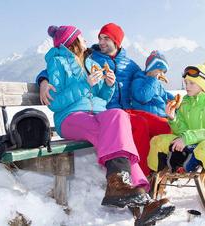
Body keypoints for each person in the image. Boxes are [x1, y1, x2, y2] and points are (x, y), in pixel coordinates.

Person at [45, 25, 175, 225]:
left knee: (118, 115)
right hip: (71, 117)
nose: (88, 41)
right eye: (82, 38)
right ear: (74, 41)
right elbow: (55, 102)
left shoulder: (87, 62)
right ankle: (125, 189)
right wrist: (83, 84)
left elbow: (101, 98)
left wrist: (108, 85)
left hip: (96, 113)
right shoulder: (57, 62)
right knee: (115, 138)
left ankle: (136, 196)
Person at [37, 23, 171, 176]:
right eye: (100, 38)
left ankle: (165, 168)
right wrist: (43, 80)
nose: (101, 42)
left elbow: (145, 80)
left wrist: (165, 97)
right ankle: (143, 176)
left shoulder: (130, 65)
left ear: (116, 42)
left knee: (165, 126)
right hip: (107, 112)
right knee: (139, 125)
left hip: (125, 110)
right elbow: (57, 66)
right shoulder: (91, 57)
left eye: (106, 38)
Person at [147, 61, 205, 200]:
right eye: (186, 82)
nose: (187, 86)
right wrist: (173, 119)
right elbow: (181, 131)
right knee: (158, 141)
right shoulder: (185, 102)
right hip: (189, 144)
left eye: (191, 83)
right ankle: (153, 180)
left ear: (203, 85)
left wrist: (188, 138)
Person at [131, 50, 174, 118]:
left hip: (161, 115)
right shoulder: (138, 80)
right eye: (160, 70)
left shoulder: (156, 83)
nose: (162, 74)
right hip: (146, 116)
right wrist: (153, 80)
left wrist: (173, 99)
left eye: (164, 72)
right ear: (150, 68)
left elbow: (164, 95)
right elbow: (143, 97)